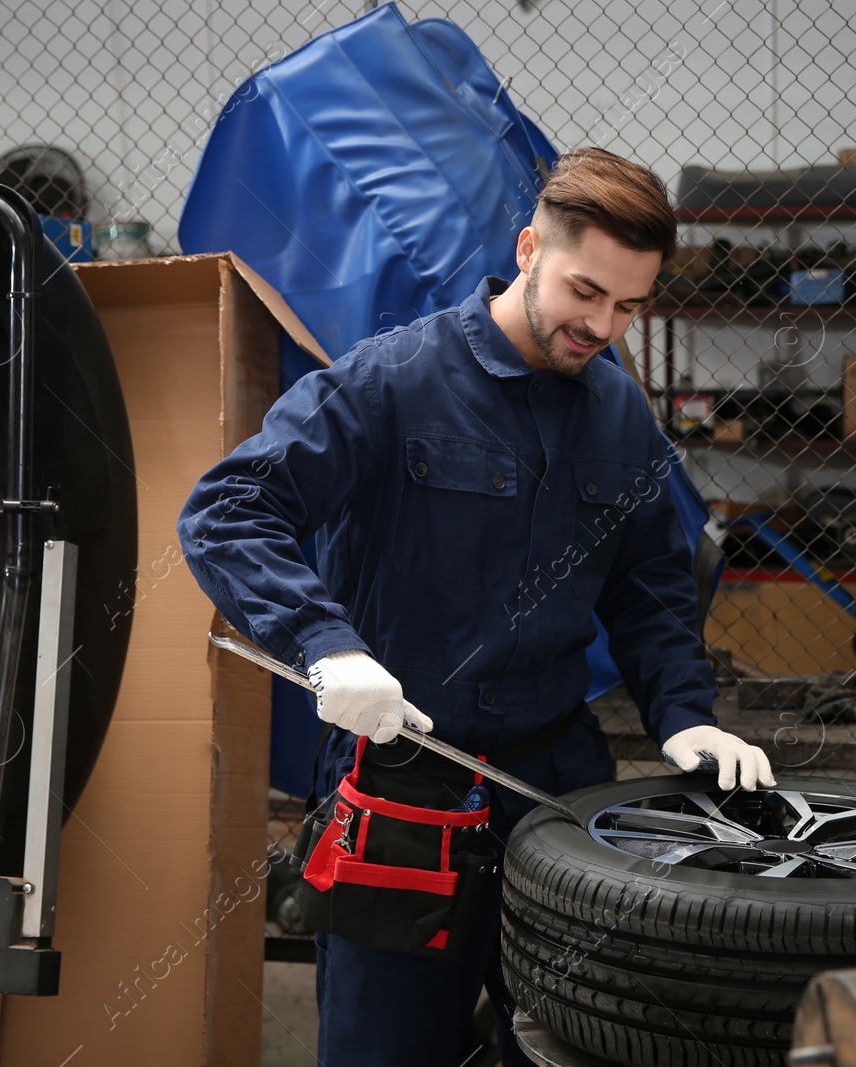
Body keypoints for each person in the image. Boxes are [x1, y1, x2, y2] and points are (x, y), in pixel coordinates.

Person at [177, 146, 775, 1066]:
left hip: (553, 791)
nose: (604, 325)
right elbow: (227, 509)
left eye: (630, 305)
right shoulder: (391, 382)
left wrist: (685, 715)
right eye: (587, 292)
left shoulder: (621, 417)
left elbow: (649, 587)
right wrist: (323, 644)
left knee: (573, 1043)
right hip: (402, 784)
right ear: (530, 246)